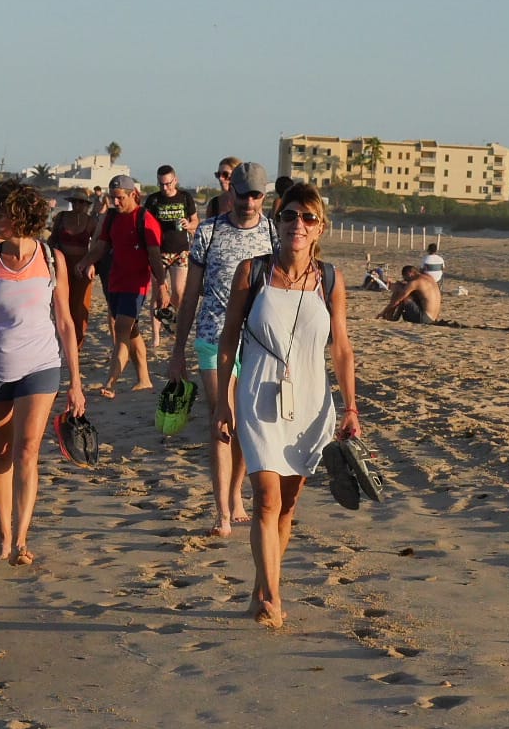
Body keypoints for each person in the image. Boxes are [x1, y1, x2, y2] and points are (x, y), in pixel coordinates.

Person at [213, 184, 360, 630]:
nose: (299, 224)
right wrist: (223, 401)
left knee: (289, 505)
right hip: (258, 394)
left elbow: (342, 350)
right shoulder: (252, 272)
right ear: (277, 223)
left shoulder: (330, 280)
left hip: (311, 400)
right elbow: (227, 340)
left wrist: (351, 407)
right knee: (265, 498)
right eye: (290, 216)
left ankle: (261, 586)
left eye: (308, 218)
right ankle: (272, 599)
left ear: (320, 228)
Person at [0, 179, 85, 566]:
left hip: (40, 366)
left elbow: (64, 321)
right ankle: (3, 536)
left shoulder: (50, 257)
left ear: (20, 217)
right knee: (1, 450)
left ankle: (22, 540)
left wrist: (76, 382)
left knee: (27, 450)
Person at [169, 159, 275, 537]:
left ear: (264, 196)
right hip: (213, 337)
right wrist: (178, 350)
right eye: (242, 194)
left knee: (247, 424)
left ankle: (235, 496)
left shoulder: (273, 234)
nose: (248, 201)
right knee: (221, 419)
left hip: (258, 342)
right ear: (231, 192)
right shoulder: (209, 232)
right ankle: (222, 514)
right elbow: (191, 294)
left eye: (256, 195)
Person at [82, 174, 165, 397]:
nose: (115, 202)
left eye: (119, 198)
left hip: (136, 286)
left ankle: (110, 382)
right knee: (133, 332)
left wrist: (163, 286)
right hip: (115, 282)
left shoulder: (145, 220)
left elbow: (155, 257)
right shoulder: (112, 218)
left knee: (121, 332)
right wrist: (85, 261)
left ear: (133, 195)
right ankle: (144, 379)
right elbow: (101, 246)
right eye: (112, 198)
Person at [145, 165, 200, 349]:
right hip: (158, 251)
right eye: (161, 184)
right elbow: (145, 224)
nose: (165, 188)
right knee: (158, 294)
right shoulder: (153, 200)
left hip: (181, 251)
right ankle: (156, 336)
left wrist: (188, 225)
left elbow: (196, 222)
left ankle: (172, 325)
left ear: (175, 180)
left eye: (168, 184)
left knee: (178, 292)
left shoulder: (185, 197)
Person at [49, 190, 98, 351]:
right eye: (75, 202)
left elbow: (98, 245)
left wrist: (89, 263)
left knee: (80, 304)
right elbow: (52, 239)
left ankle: (77, 342)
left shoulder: (91, 221)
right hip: (62, 264)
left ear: (86, 205)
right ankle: (62, 339)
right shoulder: (62, 217)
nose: (78, 205)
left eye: (82, 203)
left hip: (82, 266)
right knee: (62, 303)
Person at [377, 265, 442, 324]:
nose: (406, 280)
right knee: (404, 291)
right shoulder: (429, 278)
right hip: (433, 318)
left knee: (401, 294)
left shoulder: (415, 282)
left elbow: (398, 300)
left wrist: (383, 312)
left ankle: (390, 317)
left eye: (406, 278)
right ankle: (391, 317)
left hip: (423, 318)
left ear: (410, 273)